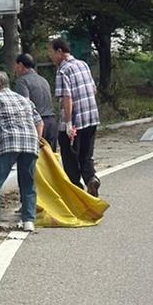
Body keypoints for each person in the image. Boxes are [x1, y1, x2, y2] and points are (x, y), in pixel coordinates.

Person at [0, 71, 43, 233]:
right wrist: (36, 140)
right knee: (28, 183)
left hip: (8, 142)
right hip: (30, 143)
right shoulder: (24, 100)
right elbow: (40, 123)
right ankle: (28, 221)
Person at [49, 38, 101, 196]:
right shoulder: (83, 64)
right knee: (86, 154)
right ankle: (91, 178)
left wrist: (69, 123)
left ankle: (76, 191)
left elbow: (67, 97)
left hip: (75, 122)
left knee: (70, 157)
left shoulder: (63, 70)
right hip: (91, 117)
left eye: (51, 52)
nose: (50, 56)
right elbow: (93, 90)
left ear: (59, 52)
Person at [14, 53, 56, 151]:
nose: (15, 69)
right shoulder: (43, 80)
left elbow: (25, 105)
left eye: (16, 66)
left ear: (20, 65)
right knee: (51, 160)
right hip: (51, 122)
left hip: (37, 124)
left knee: (35, 162)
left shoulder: (22, 81)